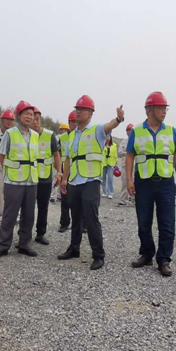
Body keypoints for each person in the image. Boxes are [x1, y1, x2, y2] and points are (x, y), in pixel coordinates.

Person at [58, 95, 125, 270]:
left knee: (91, 218)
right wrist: (64, 179)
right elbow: (68, 159)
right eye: (77, 109)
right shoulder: (72, 135)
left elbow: (110, 125)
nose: (78, 112)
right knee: (75, 217)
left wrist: (118, 119)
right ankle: (74, 249)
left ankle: (98, 255)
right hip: (74, 181)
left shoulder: (97, 130)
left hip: (91, 180)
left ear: (91, 113)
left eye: (83, 109)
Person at [126, 92, 176, 277]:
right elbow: (129, 155)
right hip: (143, 182)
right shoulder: (136, 131)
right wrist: (129, 180)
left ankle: (164, 259)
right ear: (149, 109)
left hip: (166, 183)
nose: (164, 111)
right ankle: (147, 254)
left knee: (167, 224)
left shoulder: (171, 131)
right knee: (144, 222)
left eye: (165, 108)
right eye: (160, 108)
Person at [0, 100, 39, 259]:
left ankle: (24, 244)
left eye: (31, 114)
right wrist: (9, 173)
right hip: (13, 180)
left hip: (31, 181)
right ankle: (3, 246)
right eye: (26, 114)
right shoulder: (10, 134)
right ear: (18, 115)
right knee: (9, 215)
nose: (29, 117)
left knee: (29, 215)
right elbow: (2, 156)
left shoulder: (35, 135)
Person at [31, 107, 62, 245]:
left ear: (40, 120)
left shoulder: (49, 135)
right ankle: (24, 234)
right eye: (33, 119)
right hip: (29, 177)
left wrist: (59, 173)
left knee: (43, 207)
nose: (35, 122)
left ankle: (40, 233)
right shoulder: (26, 135)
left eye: (37, 119)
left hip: (45, 177)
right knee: (27, 208)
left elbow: (56, 155)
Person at [0, 110, 16, 227]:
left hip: (13, 168)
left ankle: (15, 216)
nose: (9, 121)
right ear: (2, 120)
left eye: (11, 120)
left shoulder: (16, 134)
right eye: (7, 119)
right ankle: (0, 217)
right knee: (0, 194)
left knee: (14, 194)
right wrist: (7, 146)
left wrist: (2, 146)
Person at [58, 111, 78, 232]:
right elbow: (58, 155)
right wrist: (59, 172)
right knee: (64, 198)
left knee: (79, 199)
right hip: (65, 170)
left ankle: (82, 224)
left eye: (76, 122)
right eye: (72, 122)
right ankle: (64, 223)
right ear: (69, 123)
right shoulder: (62, 138)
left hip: (78, 170)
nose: (75, 124)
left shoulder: (83, 135)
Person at [50, 123, 70, 202]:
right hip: (59, 163)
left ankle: (59, 195)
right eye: (61, 129)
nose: (63, 131)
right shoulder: (57, 138)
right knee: (56, 180)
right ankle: (53, 196)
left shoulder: (69, 137)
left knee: (62, 180)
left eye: (64, 130)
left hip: (66, 163)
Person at [117, 123, 134, 207]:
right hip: (124, 165)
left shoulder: (136, 141)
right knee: (124, 182)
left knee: (134, 182)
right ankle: (123, 200)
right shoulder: (123, 142)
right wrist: (128, 152)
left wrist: (128, 152)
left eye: (130, 130)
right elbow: (120, 152)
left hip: (134, 165)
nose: (129, 132)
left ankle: (133, 199)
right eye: (128, 130)